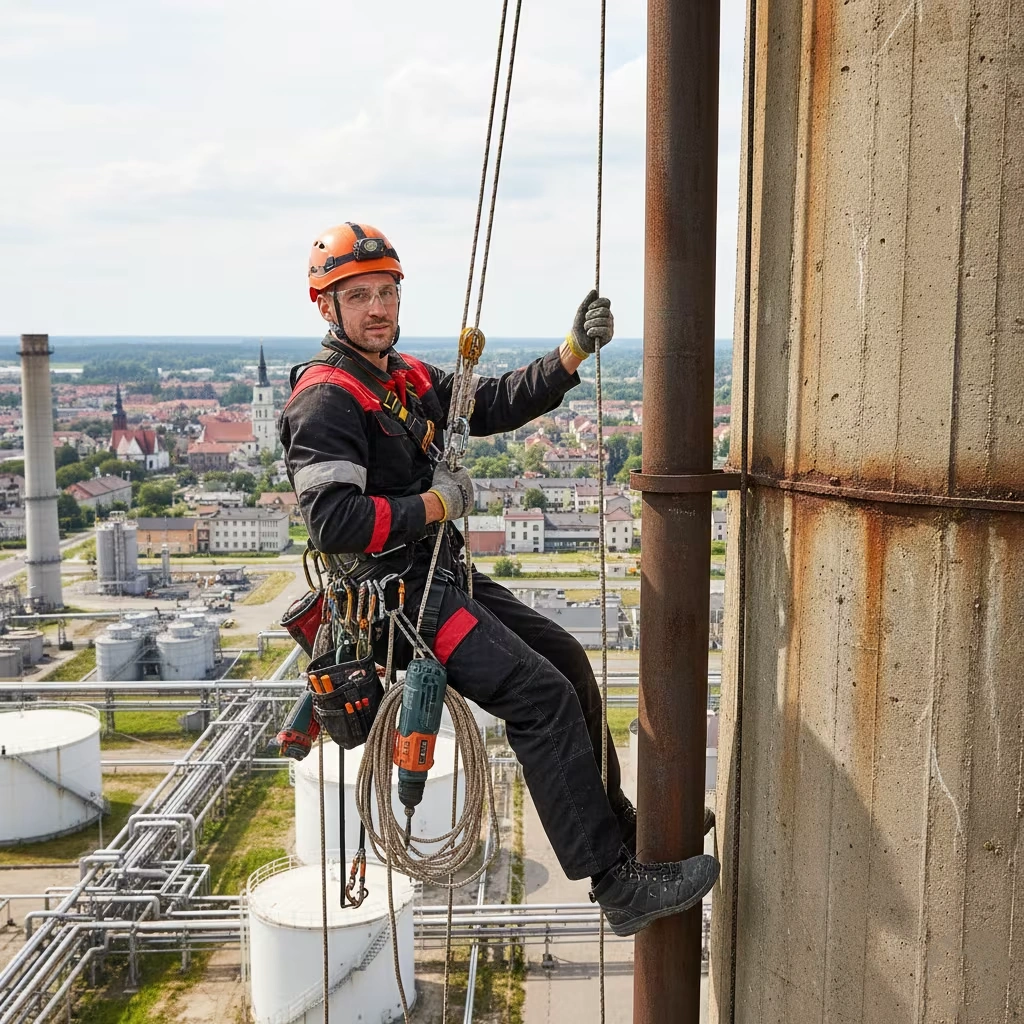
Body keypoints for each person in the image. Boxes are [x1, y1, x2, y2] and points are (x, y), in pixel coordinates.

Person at [280, 221, 719, 936]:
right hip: (398, 603)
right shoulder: (327, 399)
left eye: (386, 292)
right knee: (538, 699)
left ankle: (623, 830)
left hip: (436, 576)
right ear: (325, 307)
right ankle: (616, 887)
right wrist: (434, 503)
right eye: (358, 296)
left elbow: (489, 403)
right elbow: (335, 522)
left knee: (568, 664)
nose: (378, 308)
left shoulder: (402, 377)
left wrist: (571, 354)